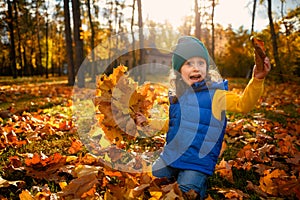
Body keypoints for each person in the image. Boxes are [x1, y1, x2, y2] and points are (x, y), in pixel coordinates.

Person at [136, 36, 271, 199]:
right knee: (153, 180)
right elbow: (171, 123)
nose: (196, 68)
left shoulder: (216, 95)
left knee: (185, 193)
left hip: (197, 162)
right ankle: (176, 174)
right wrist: (147, 122)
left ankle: (198, 181)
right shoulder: (178, 96)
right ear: (179, 71)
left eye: (201, 63)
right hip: (172, 155)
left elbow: (244, 104)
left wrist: (257, 79)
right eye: (189, 63)